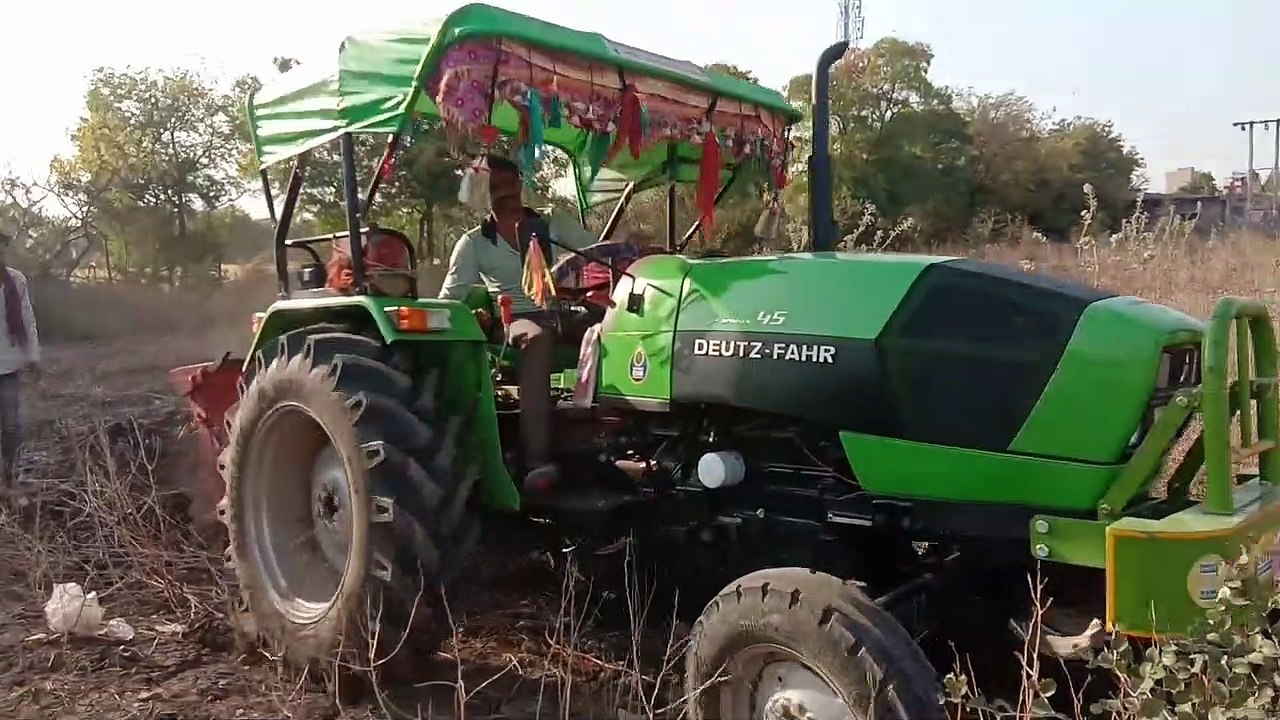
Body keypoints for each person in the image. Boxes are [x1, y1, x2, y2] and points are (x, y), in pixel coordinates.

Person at [437, 155, 596, 492]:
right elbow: (450, 298)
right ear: (483, 193)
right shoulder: (474, 243)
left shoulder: (552, 224)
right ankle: (537, 461)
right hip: (517, 318)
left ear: (520, 185)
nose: (504, 193)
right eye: (494, 188)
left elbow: (597, 255)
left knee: (618, 325)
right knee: (537, 338)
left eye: (509, 184)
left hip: (564, 310)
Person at [0, 231, 40, 495]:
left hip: (7, 365)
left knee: (12, 425)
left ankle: (10, 477)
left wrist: (33, 356)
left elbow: (27, 320)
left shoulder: (15, 281)